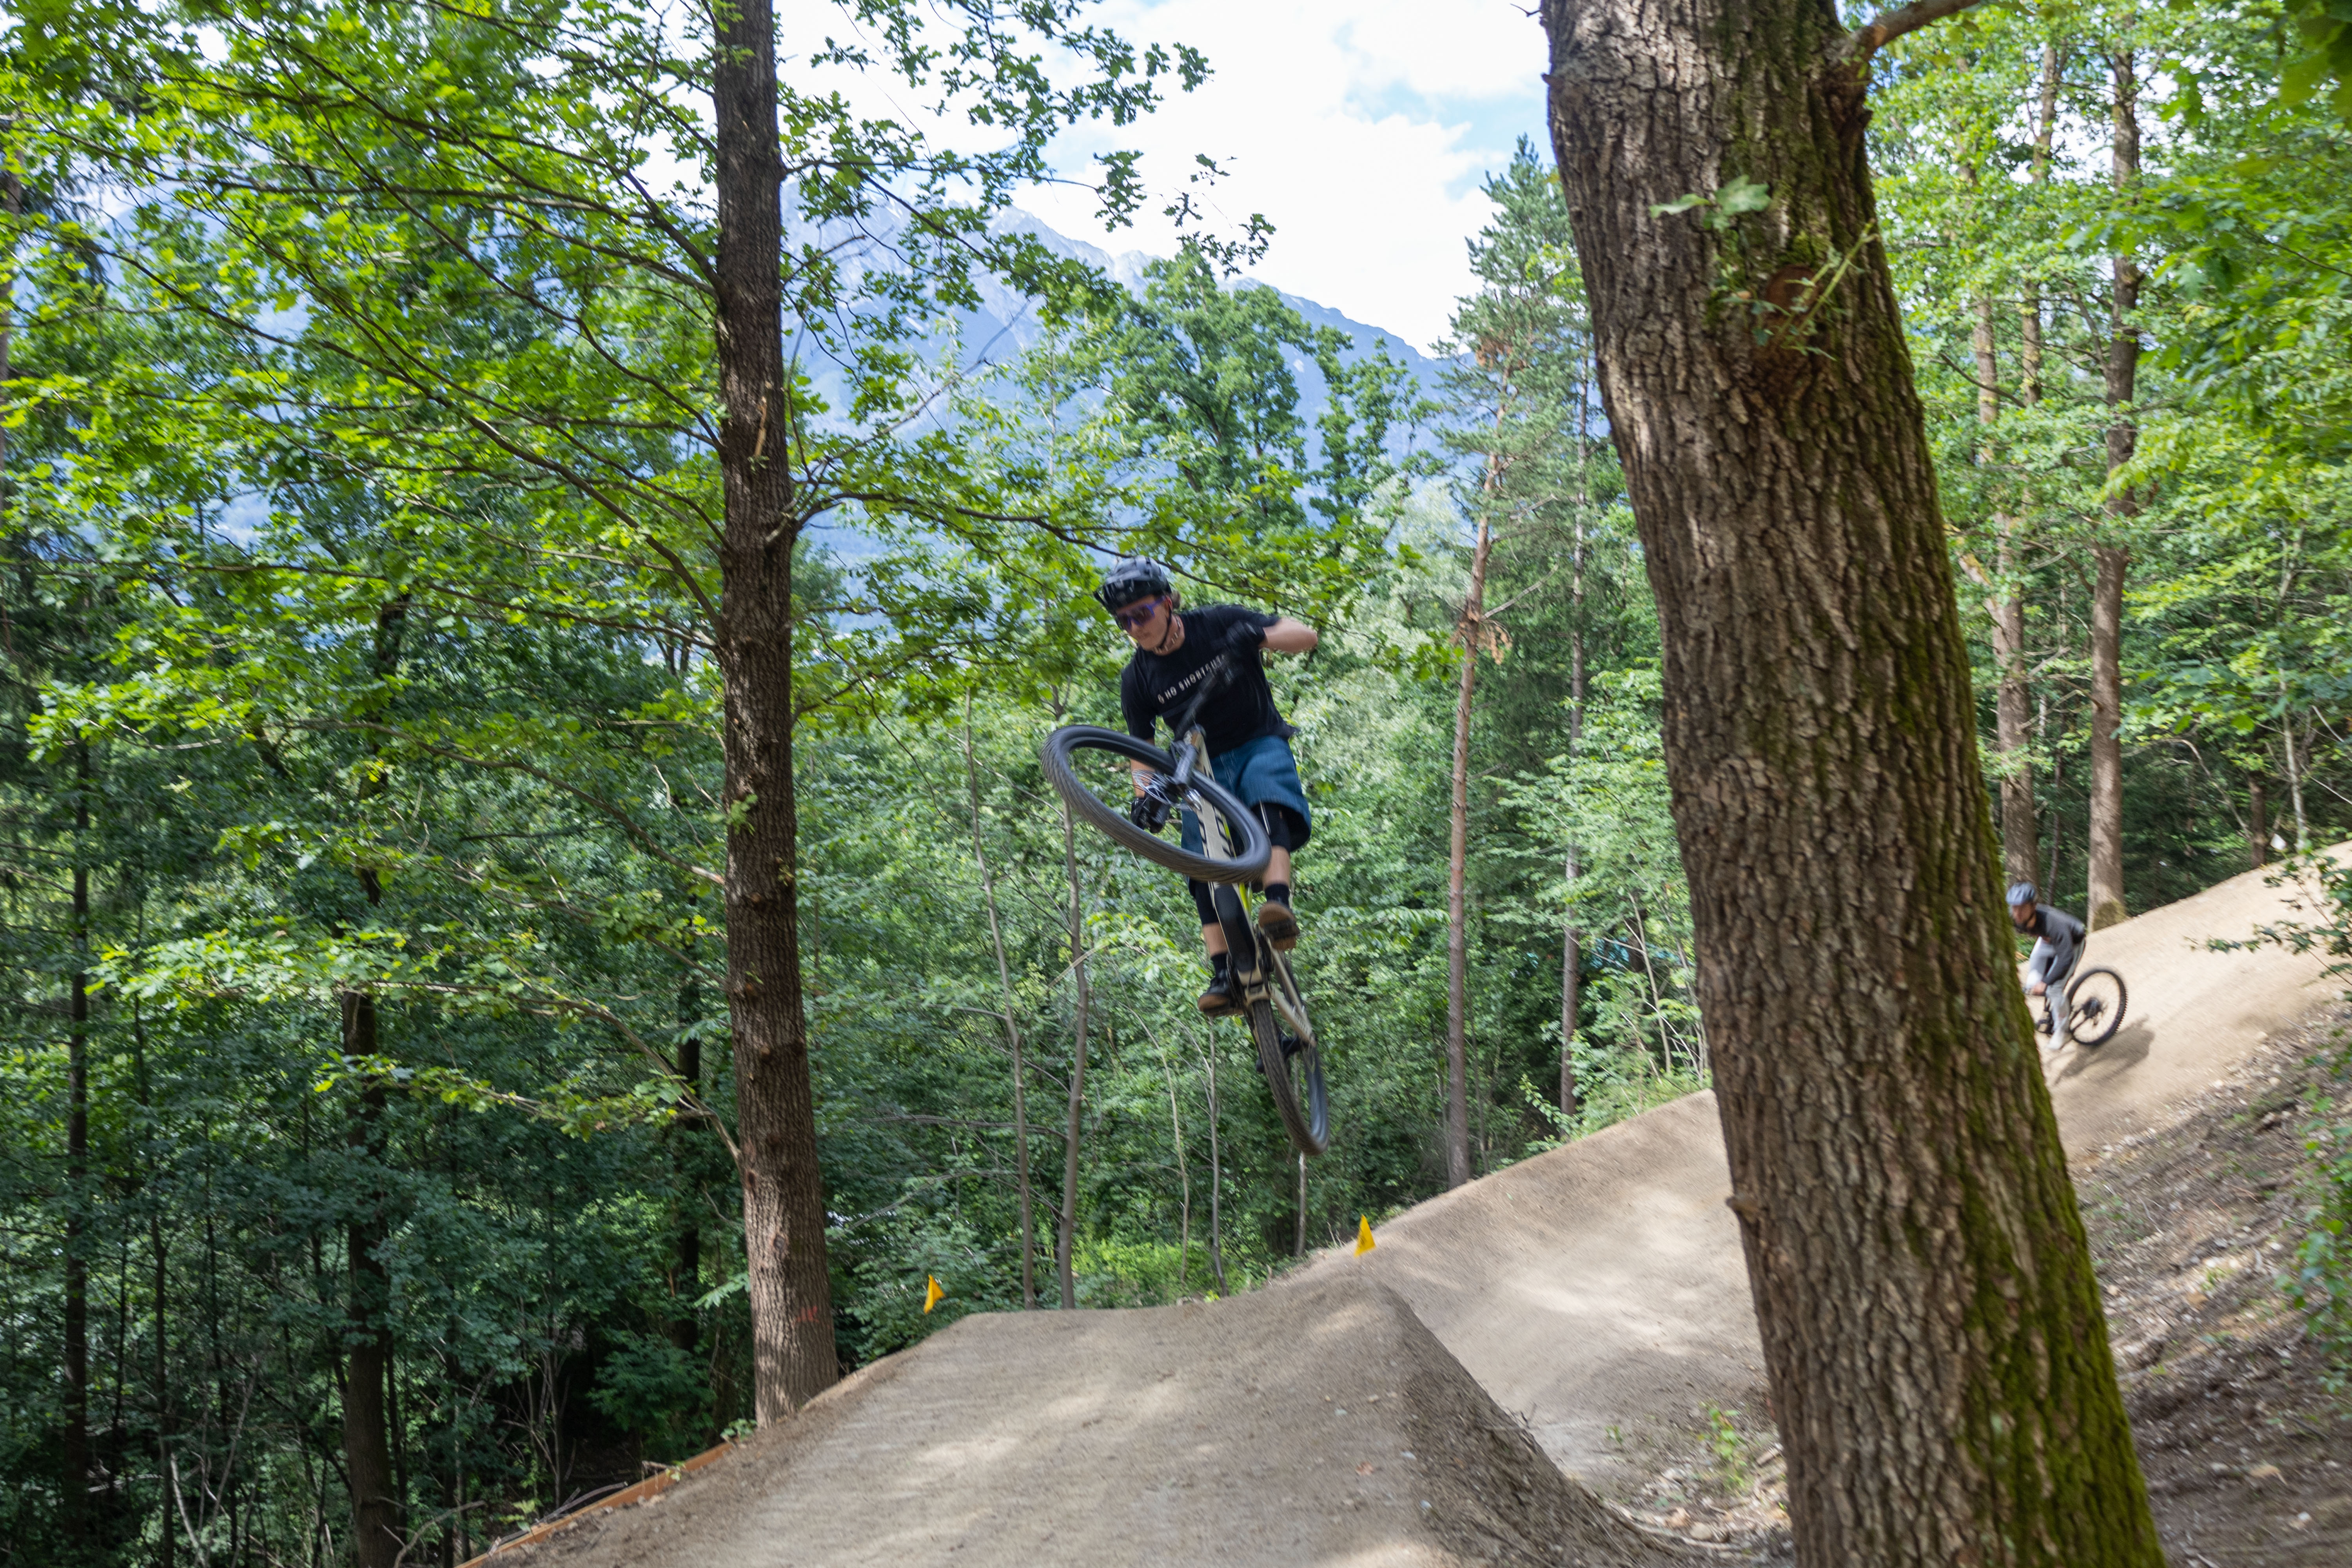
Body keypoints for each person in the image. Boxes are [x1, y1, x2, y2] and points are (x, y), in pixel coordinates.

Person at [1095, 557, 1319, 1018]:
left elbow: (1305, 636)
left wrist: (1257, 635)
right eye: (1124, 621)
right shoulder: (1137, 678)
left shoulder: (1217, 622)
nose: (1135, 627)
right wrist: (1143, 796)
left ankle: (1278, 905)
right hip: (1200, 770)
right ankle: (1222, 973)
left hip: (1257, 740)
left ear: (1168, 602)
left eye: (1142, 613)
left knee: (1266, 798)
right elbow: (1141, 748)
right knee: (1197, 862)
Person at [2008, 880, 2087, 1046]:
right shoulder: (2013, 918)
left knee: (2053, 989)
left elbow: (2066, 958)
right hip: (2046, 941)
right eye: (2014, 908)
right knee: (2032, 985)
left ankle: (2063, 1031)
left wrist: (2046, 982)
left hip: (2072, 944)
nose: (2018, 913)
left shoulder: (2054, 924)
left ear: (2034, 907)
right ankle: (2053, 1010)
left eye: (2023, 908)